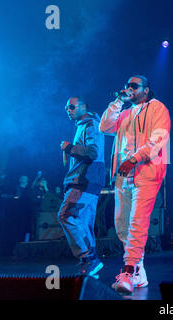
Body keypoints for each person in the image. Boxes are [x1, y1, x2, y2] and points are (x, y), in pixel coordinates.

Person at [100, 75, 170, 294]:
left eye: (133, 86)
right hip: (123, 175)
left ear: (146, 90)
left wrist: (134, 159)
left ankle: (129, 271)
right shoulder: (125, 113)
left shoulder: (158, 108)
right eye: (126, 85)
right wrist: (118, 101)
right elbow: (104, 126)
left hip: (146, 172)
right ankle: (138, 272)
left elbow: (157, 140)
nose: (128, 88)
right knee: (122, 224)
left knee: (137, 222)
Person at [58, 96, 106, 278]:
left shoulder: (91, 124)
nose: (68, 110)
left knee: (66, 215)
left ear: (83, 107)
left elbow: (92, 153)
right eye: (66, 108)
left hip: (84, 181)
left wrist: (69, 148)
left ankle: (89, 259)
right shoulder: (85, 125)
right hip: (88, 180)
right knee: (84, 224)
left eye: (71, 107)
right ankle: (90, 267)